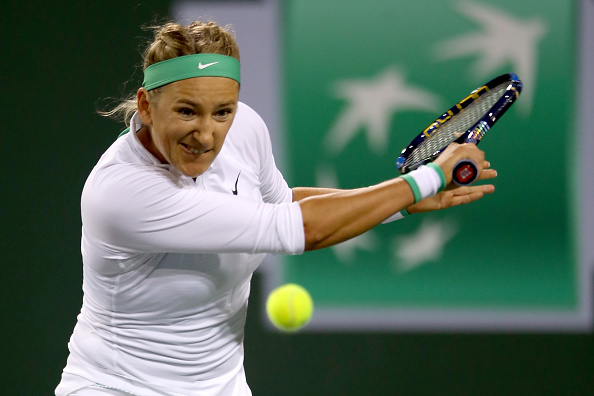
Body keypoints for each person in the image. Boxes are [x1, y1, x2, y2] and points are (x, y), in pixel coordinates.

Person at [55, 20, 496, 396]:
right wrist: (426, 179)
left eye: (222, 111)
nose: (206, 135)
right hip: (119, 388)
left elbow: (282, 204)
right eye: (187, 112)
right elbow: (298, 228)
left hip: (221, 385)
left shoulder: (245, 128)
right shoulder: (123, 194)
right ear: (147, 106)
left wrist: (400, 202)